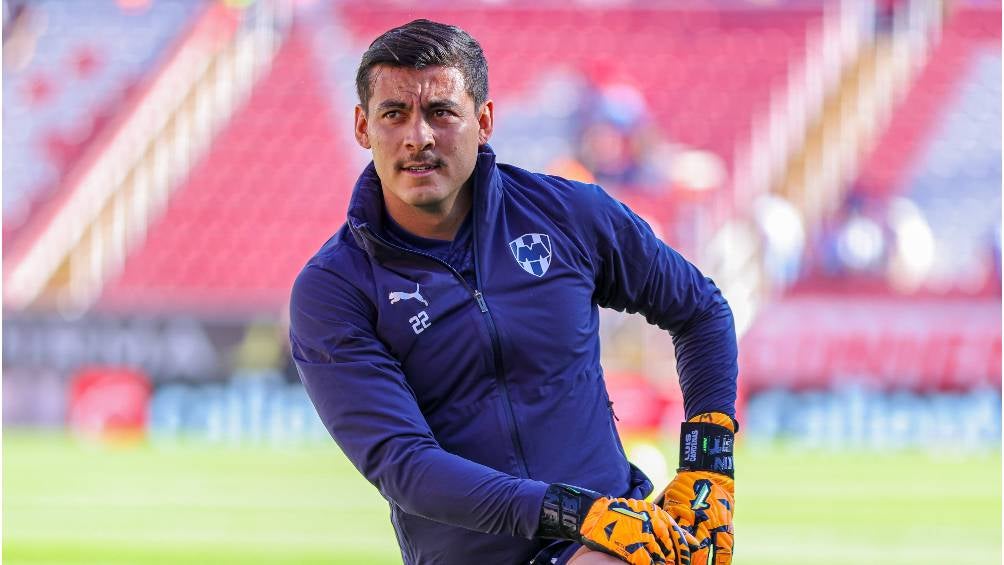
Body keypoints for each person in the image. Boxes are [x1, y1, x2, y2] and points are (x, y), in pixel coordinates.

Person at [289, 19, 738, 565]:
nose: (418, 137)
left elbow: (701, 311)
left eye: (441, 113)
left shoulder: (570, 214)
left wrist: (709, 464)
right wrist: (574, 511)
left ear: (483, 121)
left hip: (611, 539)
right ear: (363, 127)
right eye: (394, 114)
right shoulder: (334, 289)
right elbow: (406, 467)